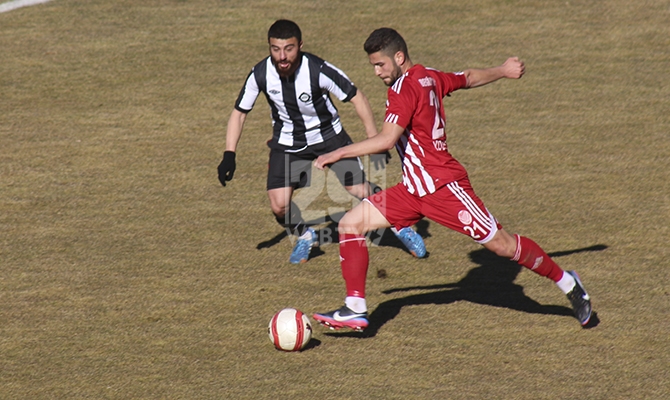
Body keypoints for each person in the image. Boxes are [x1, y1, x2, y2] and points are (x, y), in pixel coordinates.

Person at [312, 27, 592, 330]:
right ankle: (354, 307)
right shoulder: (428, 75)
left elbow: (386, 140)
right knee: (350, 224)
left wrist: (337, 154)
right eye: (373, 66)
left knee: (502, 246)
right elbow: (467, 77)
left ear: (399, 56)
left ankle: (568, 282)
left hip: (445, 188)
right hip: (413, 190)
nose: (377, 72)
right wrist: (503, 69)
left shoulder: (404, 88)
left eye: (380, 64)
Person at [217, 20, 426, 264]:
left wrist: (374, 139)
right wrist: (229, 153)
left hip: (330, 138)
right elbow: (239, 113)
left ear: (300, 46)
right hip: (287, 144)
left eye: (289, 49)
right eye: (275, 49)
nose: (282, 56)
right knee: (279, 206)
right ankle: (305, 236)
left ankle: (400, 224)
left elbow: (357, 98)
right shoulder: (260, 73)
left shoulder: (318, 70)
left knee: (358, 190)